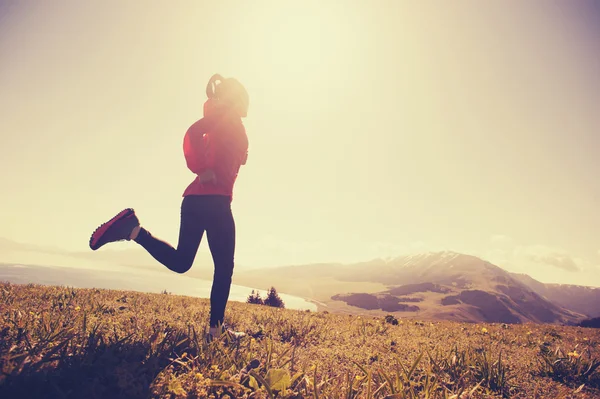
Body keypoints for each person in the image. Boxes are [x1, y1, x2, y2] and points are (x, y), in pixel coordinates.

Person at [89, 74, 249, 341]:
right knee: (224, 267)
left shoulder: (225, 120)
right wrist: (203, 169)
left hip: (197, 202)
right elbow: (192, 134)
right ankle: (215, 332)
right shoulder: (225, 118)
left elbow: (223, 151)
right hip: (215, 202)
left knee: (182, 262)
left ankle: (133, 230)